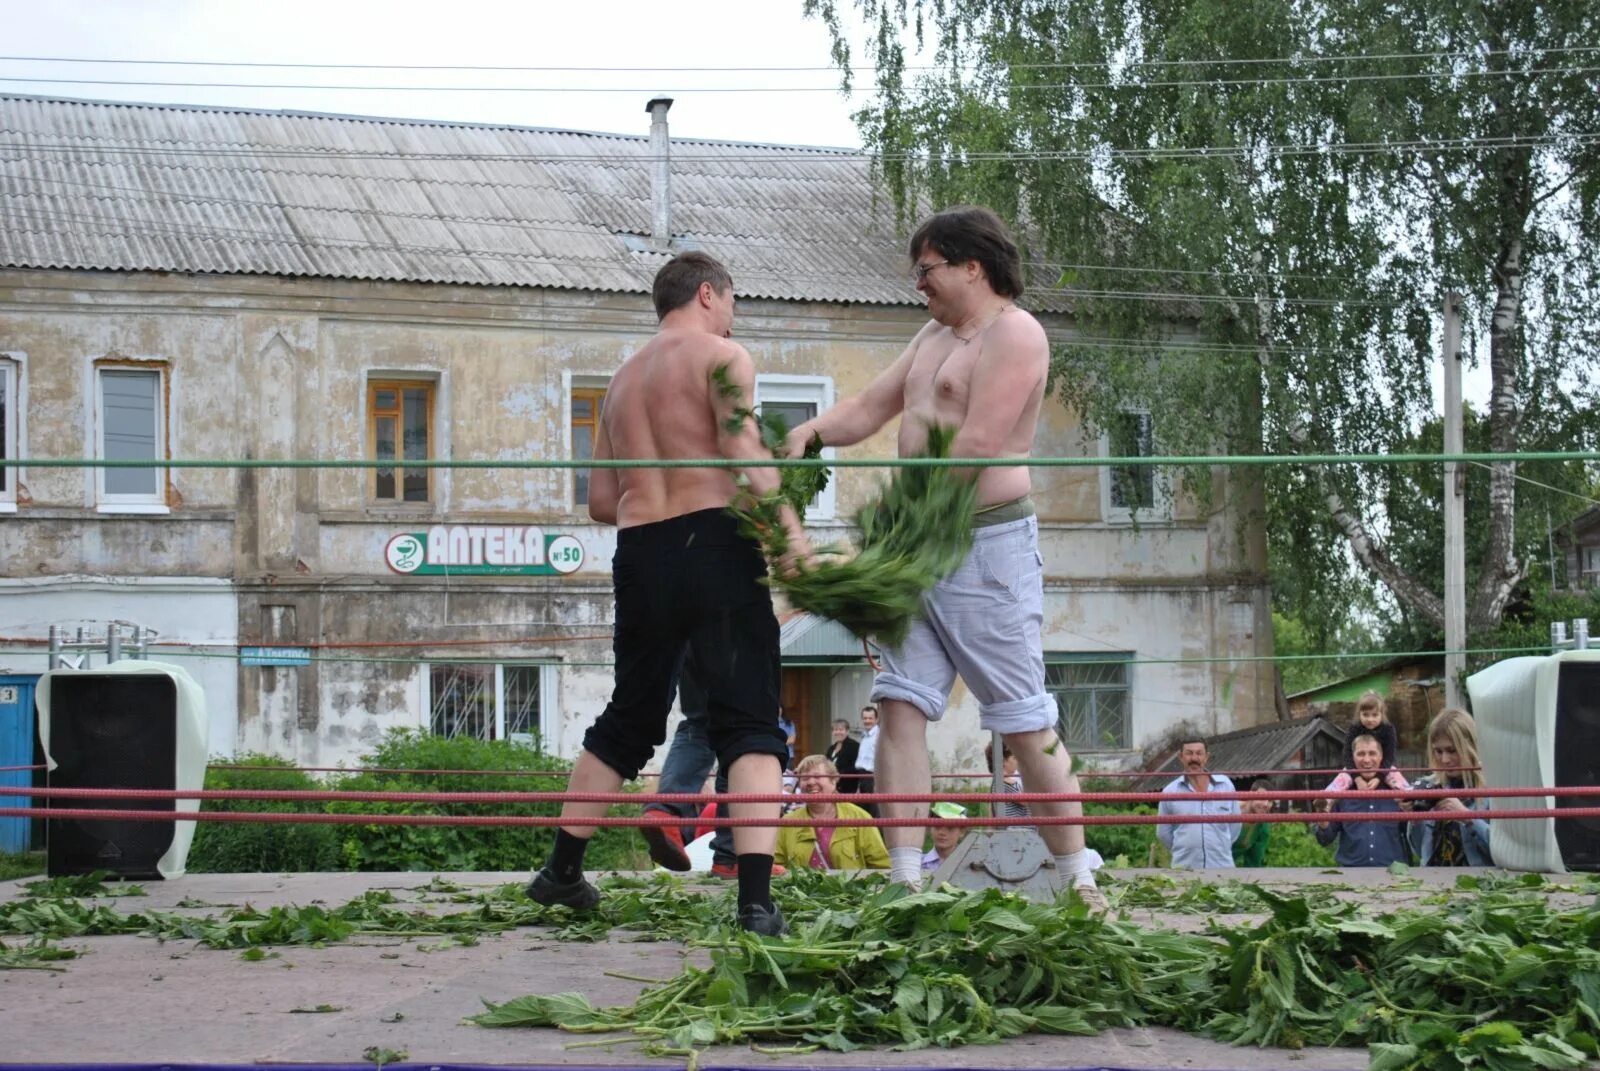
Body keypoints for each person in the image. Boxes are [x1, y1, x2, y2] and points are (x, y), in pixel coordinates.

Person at [783, 206, 1102, 905]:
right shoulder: (931, 336)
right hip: (915, 547)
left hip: (984, 544)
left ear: (972, 266)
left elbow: (978, 444)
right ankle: (904, 879)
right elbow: (869, 406)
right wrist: (809, 429)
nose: (918, 284)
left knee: (1023, 718)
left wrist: (897, 530)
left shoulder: (1017, 335)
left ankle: (1080, 880)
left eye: (926, 270)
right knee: (899, 706)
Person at [524, 251, 812, 936]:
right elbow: (744, 453)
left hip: (642, 550)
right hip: (716, 542)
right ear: (708, 294)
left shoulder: (620, 383)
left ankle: (562, 869)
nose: (733, 317)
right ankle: (754, 900)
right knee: (749, 720)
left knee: (630, 715)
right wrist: (792, 538)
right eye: (732, 302)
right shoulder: (722, 356)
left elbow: (599, 500)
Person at [774, 755, 890, 871]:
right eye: (804, 778)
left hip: (850, 889)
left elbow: (881, 865)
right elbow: (776, 866)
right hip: (800, 889)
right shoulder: (787, 822)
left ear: (833, 781)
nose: (810, 782)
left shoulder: (860, 818)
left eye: (817, 776)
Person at [1407, 708, 1492, 867]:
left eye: (1452, 750)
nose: (1445, 759)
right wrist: (1414, 817)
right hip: (1434, 883)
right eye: (1438, 751)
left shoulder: (1493, 790)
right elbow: (1420, 852)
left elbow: (1505, 851)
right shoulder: (1431, 787)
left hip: (1477, 885)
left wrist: (1468, 818)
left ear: (1470, 747)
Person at [1313, 734, 1412, 867]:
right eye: (1361, 754)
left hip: (1394, 873)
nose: (1366, 760)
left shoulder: (1398, 793)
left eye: (1372, 753)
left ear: (1381, 757)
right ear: (1352, 758)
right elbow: (1324, 840)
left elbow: (1415, 835)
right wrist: (1323, 824)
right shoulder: (1340, 794)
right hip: (1350, 875)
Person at [1156, 738, 1241, 869]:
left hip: (1222, 867)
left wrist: (1220, 845)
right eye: (1189, 753)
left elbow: (1235, 826)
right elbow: (1163, 833)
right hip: (1185, 869)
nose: (1194, 758)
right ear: (1181, 757)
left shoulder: (1225, 786)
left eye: (1199, 753)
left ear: (1206, 757)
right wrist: (1184, 850)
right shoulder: (1170, 791)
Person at [1340, 690, 1400, 772]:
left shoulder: (1388, 729)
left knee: (1401, 784)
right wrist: (1357, 777)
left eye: (1375, 715)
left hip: (1384, 770)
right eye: (1365, 715)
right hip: (1355, 770)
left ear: (1382, 715)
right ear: (1359, 714)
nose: (1370, 719)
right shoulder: (1354, 728)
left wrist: (1379, 777)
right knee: (1338, 783)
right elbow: (1347, 755)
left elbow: (1389, 756)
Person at [1233, 779, 1277, 867]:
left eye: (1270, 801)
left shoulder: (1263, 824)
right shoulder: (1229, 810)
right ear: (1250, 794)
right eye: (1262, 798)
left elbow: (1255, 859)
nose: (1266, 804)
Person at [922, 800, 968, 871]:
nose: (942, 832)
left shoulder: (969, 865)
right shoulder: (915, 864)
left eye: (950, 827)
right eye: (937, 825)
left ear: (962, 831)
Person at [855, 705, 880, 814]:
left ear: (876, 719)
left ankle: (879, 831)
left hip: (873, 776)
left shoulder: (879, 736)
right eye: (865, 718)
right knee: (863, 810)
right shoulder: (865, 736)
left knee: (874, 809)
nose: (867, 721)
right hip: (862, 776)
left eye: (870, 718)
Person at [826, 718, 861, 793]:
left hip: (848, 785)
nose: (838, 732)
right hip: (832, 785)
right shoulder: (831, 748)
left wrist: (840, 775)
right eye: (835, 730)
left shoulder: (854, 746)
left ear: (847, 731)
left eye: (841, 730)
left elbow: (857, 767)